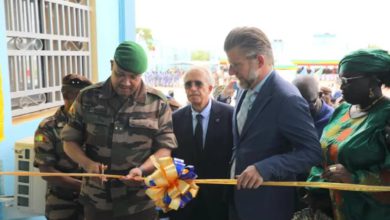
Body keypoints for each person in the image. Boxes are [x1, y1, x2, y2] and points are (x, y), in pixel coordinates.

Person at [61, 41, 177, 220]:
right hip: (97, 201)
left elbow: (165, 150)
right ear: (111, 65)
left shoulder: (157, 103)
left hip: (140, 202)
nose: (126, 82)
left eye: (134, 77)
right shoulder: (88, 97)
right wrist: (87, 164)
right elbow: (69, 140)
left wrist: (142, 170)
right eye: (120, 74)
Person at [224, 26, 322, 220]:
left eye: (236, 64)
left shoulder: (287, 99)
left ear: (259, 61)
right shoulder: (244, 87)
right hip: (238, 202)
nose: (230, 71)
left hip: (268, 208)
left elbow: (312, 152)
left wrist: (265, 168)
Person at [307, 49, 390, 220]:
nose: (341, 86)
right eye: (340, 80)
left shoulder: (385, 116)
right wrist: (316, 186)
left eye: (347, 81)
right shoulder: (341, 111)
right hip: (334, 211)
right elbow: (323, 156)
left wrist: (353, 178)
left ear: (373, 81)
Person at [168, 66, 234, 220]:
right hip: (184, 202)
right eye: (188, 85)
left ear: (210, 88)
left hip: (218, 202)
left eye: (198, 84)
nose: (193, 88)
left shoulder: (229, 115)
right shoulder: (175, 119)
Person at [34, 73, 92, 220]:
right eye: (82, 99)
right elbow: (46, 170)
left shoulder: (92, 124)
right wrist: (83, 187)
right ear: (66, 96)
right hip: (62, 204)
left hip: (92, 202)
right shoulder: (48, 127)